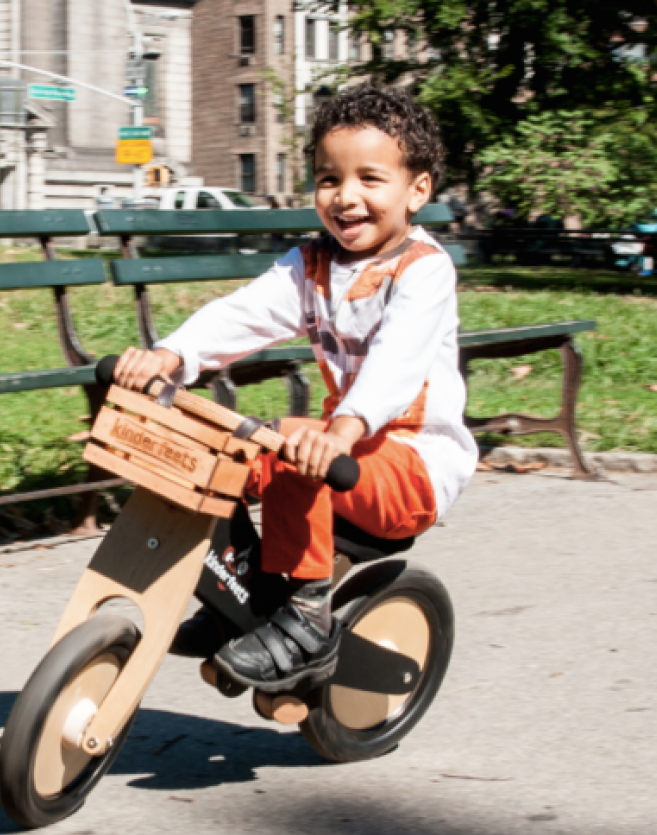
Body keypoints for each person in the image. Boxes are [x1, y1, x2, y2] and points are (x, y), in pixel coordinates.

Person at [112, 85, 478, 691]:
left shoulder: (424, 271)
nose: (346, 196)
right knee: (214, 456)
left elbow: (397, 361)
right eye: (328, 179)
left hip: (412, 466)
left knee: (286, 450)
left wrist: (342, 430)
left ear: (418, 190)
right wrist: (169, 356)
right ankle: (245, 593)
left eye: (370, 178)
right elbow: (243, 313)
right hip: (338, 449)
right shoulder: (310, 265)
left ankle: (307, 621)